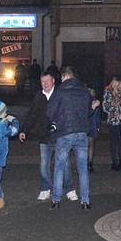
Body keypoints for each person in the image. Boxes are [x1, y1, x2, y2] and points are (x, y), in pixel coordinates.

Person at [18, 72, 76, 201]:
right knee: (44, 164)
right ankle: (45, 188)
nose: (45, 84)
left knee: (65, 163)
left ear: (53, 81)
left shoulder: (60, 95)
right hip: (44, 136)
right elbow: (32, 114)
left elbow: (68, 113)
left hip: (60, 136)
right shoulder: (39, 96)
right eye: (42, 81)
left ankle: (70, 189)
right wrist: (24, 130)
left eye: (47, 81)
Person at [46, 66, 92, 210]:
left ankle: (56, 200)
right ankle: (85, 201)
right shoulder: (84, 90)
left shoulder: (60, 91)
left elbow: (50, 113)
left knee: (59, 167)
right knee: (83, 168)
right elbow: (88, 111)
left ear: (65, 77)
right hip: (81, 133)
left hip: (64, 133)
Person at [103, 77, 121, 170]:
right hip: (113, 121)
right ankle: (114, 162)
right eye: (119, 85)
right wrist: (115, 105)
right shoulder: (108, 93)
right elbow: (105, 107)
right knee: (114, 142)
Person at [87, 88, 101, 172]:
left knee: (85, 146)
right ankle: (90, 163)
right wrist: (98, 126)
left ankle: (85, 162)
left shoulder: (84, 101)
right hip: (93, 125)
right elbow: (97, 116)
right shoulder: (95, 102)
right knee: (91, 146)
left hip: (86, 125)